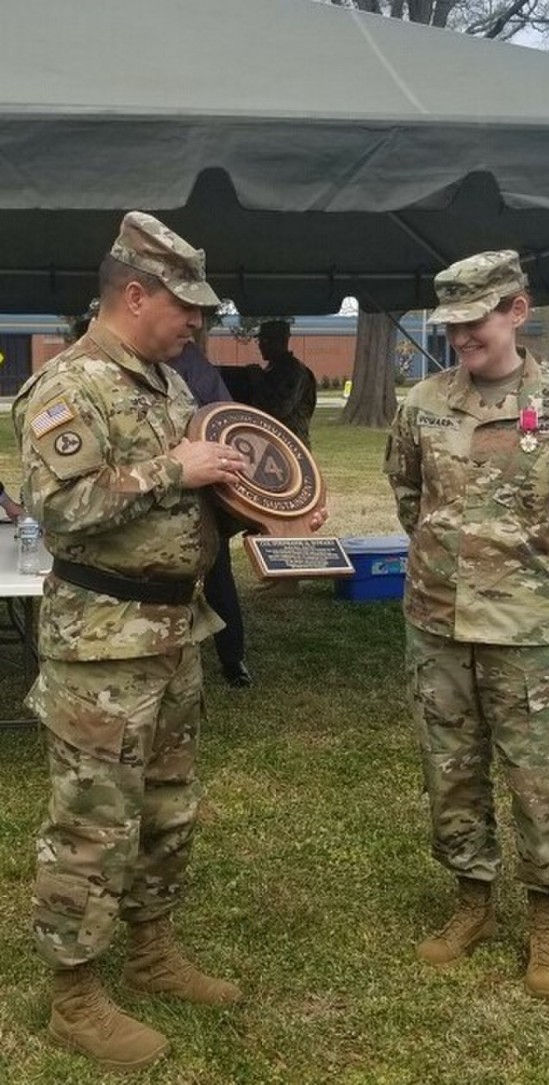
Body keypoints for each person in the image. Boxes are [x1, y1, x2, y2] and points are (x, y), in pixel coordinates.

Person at [14, 212, 323, 1070]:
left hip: (175, 629)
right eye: (186, 307)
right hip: (101, 646)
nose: (199, 323)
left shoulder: (167, 385)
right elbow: (64, 508)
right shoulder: (67, 387)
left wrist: (273, 500)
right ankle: (74, 995)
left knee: (166, 808)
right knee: (91, 823)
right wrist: (169, 471)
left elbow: (205, 489)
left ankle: (150, 952)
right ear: (135, 293)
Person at [384, 250, 549, 997]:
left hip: (531, 636)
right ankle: (473, 900)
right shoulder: (421, 403)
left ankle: (545, 917)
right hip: (437, 627)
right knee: (450, 771)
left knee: (537, 780)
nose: (461, 337)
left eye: (475, 321)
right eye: (451, 325)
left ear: (517, 310)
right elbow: (408, 496)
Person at [171, 330, 253, 687]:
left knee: (218, 575)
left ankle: (232, 659)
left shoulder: (189, 361)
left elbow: (226, 418)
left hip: (199, 497)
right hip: (149, 501)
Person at [252, 318, 318, 447]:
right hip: (273, 441)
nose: (260, 345)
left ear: (282, 341)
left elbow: (280, 409)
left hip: (291, 443)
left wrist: (257, 380)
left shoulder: (293, 371)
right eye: (259, 341)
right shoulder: (274, 368)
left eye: (265, 341)